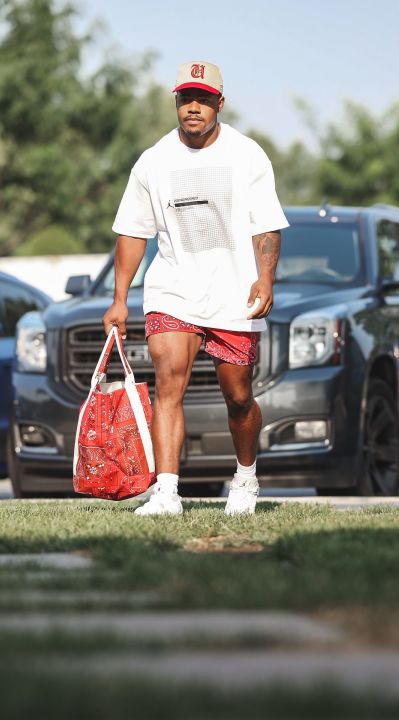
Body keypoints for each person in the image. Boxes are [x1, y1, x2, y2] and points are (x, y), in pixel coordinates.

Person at [103, 60, 287, 517]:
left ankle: (245, 478)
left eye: (204, 99)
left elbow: (266, 226)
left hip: (233, 293)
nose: (194, 108)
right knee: (168, 382)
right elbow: (132, 232)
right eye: (187, 98)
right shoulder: (153, 161)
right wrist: (120, 298)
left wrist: (265, 276)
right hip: (173, 287)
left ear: (219, 104)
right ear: (177, 102)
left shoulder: (248, 155)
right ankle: (166, 492)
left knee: (238, 395)